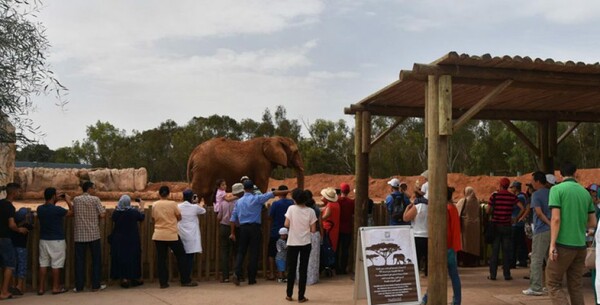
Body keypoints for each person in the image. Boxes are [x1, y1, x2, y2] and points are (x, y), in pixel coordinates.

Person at [546, 162, 596, 305]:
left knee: (553, 283)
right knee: (575, 286)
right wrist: (576, 221)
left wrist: (552, 245)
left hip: (563, 245)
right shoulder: (584, 192)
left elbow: (555, 219)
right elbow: (592, 222)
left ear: (560, 175)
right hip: (580, 246)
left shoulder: (556, 190)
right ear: (576, 173)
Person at [230, 180, 289, 286]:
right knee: (254, 252)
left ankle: (237, 273)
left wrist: (233, 232)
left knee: (241, 252)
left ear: (244, 189)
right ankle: (251, 278)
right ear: (252, 188)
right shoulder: (257, 198)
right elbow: (272, 194)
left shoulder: (238, 202)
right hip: (255, 228)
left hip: (243, 228)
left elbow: (233, 218)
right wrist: (289, 191)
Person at [421, 187, 462, 305]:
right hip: (451, 246)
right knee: (454, 275)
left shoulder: (445, 208)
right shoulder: (452, 207)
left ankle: (426, 299)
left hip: (443, 246)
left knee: (436, 274)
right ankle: (457, 301)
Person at [152, 185, 197, 288]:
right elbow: (179, 217)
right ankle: (185, 280)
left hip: (158, 234)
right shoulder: (173, 204)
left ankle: (163, 283)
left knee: (161, 259)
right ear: (169, 194)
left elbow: (153, 218)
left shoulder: (155, 204)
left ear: (159, 194)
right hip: (172, 234)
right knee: (181, 256)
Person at [37, 187, 72, 295]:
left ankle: (41, 288)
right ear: (53, 196)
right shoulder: (58, 210)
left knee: (43, 264)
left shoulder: (40, 209)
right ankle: (55, 287)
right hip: (57, 240)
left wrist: (56, 199)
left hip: (43, 240)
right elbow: (71, 212)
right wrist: (68, 200)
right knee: (56, 264)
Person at [72, 181, 106, 292]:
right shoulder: (95, 199)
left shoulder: (76, 200)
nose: (94, 190)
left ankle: (79, 286)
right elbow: (102, 214)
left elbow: (72, 211)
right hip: (93, 234)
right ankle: (95, 285)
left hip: (80, 235)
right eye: (93, 188)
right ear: (90, 189)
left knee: (79, 262)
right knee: (96, 260)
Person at [486, 177, 522, 281]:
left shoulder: (494, 196)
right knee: (506, 251)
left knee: (495, 252)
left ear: (500, 185)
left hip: (496, 226)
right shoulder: (512, 197)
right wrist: (516, 218)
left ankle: (493, 275)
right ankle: (507, 274)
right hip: (507, 226)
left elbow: (488, 210)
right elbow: (522, 207)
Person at [285, 189, 318, 303]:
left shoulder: (291, 209)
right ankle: (301, 296)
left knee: (291, 269)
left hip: (292, 242)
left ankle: (289, 294)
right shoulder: (311, 211)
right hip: (305, 243)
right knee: (303, 269)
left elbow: (286, 224)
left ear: (294, 199)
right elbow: (313, 230)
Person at [522, 171, 551, 296]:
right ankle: (551, 285)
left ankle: (536, 287)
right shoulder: (552, 193)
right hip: (552, 231)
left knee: (536, 259)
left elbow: (538, 213)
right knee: (550, 259)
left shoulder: (536, 195)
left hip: (541, 229)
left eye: (533, 181)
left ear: (538, 181)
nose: (531, 183)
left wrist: (548, 223)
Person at [110, 195, 145, 288]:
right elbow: (142, 217)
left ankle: (124, 278)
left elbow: (113, 218)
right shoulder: (133, 212)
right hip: (132, 239)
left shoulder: (116, 213)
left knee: (122, 258)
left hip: (120, 239)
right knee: (134, 258)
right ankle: (135, 278)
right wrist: (141, 206)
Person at [0, 183, 27, 300]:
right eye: (19, 191)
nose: (19, 193)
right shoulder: (10, 207)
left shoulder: (0, 203)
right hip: (5, 237)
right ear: (14, 192)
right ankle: (4, 291)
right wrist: (19, 229)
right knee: (10, 265)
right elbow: (11, 224)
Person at [178, 189, 207, 281]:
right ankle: (187, 278)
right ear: (192, 197)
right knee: (190, 257)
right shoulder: (194, 207)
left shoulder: (178, 206)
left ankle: (182, 277)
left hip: (181, 234)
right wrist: (196, 202)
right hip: (192, 235)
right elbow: (203, 211)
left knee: (182, 257)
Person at [218, 182, 244, 283]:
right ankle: (238, 274)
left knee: (225, 252)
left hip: (224, 227)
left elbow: (219, 217)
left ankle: (225, 276)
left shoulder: (224, 202)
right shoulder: (240, 202)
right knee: (237, 251)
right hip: (236, 228)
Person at [268, 185, 294, 280]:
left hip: (276, 231)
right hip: (289, 232)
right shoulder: (291, 203)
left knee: (272, 253)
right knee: (288, 253)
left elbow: (270, 216)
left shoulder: (275, 204)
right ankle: (286, 272)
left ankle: (272, 273)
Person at [403, 190, 429, 276]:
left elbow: (406, 218)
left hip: (417, 234)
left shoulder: (417, 207)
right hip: (427, 235)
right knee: (427, 257)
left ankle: (415, 274)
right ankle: (427, 273)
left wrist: (407, 208)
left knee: (416, 257)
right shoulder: (428, 207)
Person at [455, 186, 480, 267]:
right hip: (476, 225)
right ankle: (473, 261)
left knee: (465, 244)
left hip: (466, 225)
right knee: (474, 244)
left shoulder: (464, 201)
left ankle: (464, 261)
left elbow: (457, 210)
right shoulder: (477, 201)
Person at [509, 181, 528, 268]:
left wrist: (517, 218)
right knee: (520, 243)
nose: (511, 189)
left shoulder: (519, 197)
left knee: (515, 243)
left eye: (512, 187)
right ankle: (522, 260)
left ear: (515, 188)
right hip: (519, 223)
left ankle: (514, 261)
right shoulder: (522, 196)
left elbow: (522, 209)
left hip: (516, 224)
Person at [337, 182, 354, 275]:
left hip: (338, 228)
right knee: (345, 250)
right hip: (347, 228)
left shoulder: (337, 201)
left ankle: (336, 267)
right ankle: (343, 268)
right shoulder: (351, 202)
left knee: (336, 249)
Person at [304, 190, 321, 285]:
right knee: (313, 257)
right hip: (315, 234)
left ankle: (302, 277)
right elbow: (320, 223)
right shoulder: (316, 209)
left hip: (303, 234)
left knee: (302, 257)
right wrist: (322, 234)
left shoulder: (302, 208)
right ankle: (313, 278)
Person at [320, 187, 340, 253]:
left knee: (328, 247)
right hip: (333, 228)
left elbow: (325, 217)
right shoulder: (335, 204)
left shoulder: (330, 206)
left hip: (329, 229)